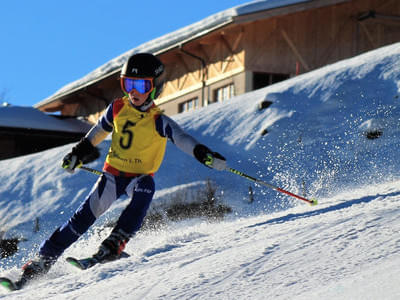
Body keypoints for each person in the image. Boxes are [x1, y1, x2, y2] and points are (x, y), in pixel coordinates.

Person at [21, 53, 226, 281]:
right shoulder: (118, 108)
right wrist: (78, 153)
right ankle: (42, 260)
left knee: (146, 187)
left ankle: (115, 242)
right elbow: (97, 132)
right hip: (112, 176)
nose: (133, 91)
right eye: (128, 83)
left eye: (141, 85)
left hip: (138, 178)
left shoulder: (158, 120)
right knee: (81, 220)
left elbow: (183, 139)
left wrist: (204, 154)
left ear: (155, 87)